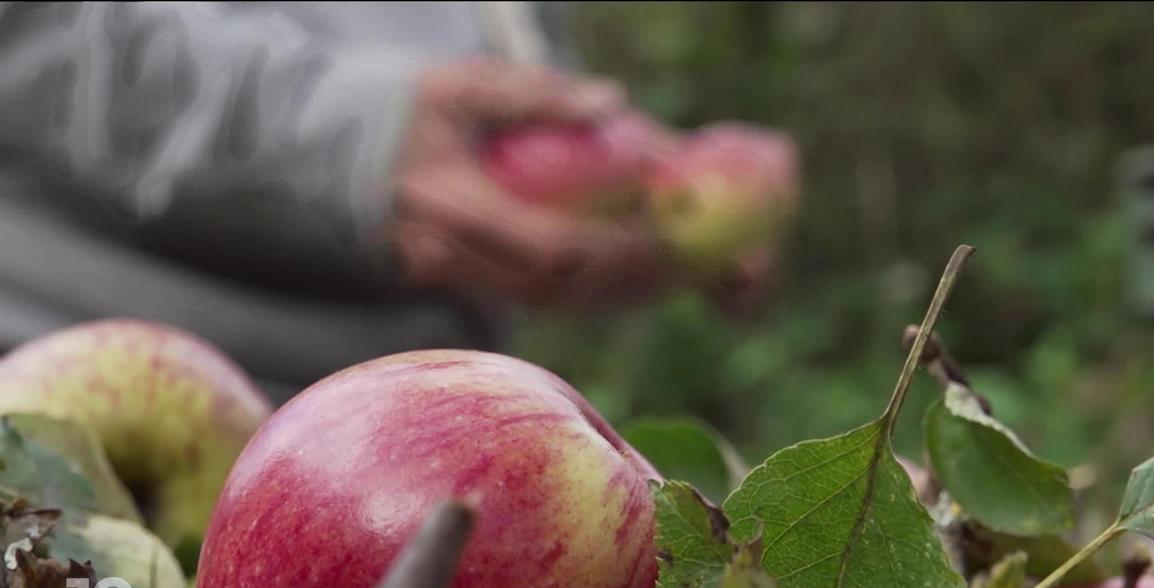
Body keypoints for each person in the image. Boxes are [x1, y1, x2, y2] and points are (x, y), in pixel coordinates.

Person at [0, 2, 770, 403]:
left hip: (413, 446)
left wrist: (614, 211)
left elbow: (506, 109)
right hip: (75, 402)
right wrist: (344, 134)